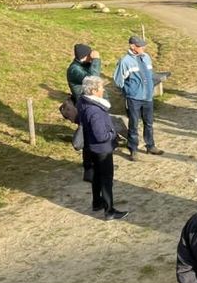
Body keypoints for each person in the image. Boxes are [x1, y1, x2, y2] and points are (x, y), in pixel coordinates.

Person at [78, 75, 127, 220]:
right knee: (106, 179)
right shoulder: (95, 111)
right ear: (93, 91)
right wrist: (112, 134)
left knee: (97, 176)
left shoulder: (83, 102)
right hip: (102, 149)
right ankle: (109, 210)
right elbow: (101, 136)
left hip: (90, 147)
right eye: (100, 87)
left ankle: (97, 202)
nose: (103, 90)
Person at [113, 35, 164, 160]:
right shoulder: (125, 61)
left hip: (147, 97)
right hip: (134, 98)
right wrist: (129, 91)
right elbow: (118, 80)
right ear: (133, 46)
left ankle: (150, 145)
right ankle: (133, 149)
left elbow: (150, 74)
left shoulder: (146, 57)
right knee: (134, 124)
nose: (144, 48)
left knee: (149, 123)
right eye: (141, 46)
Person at [67, 43, 101, 183]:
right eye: (89, 55)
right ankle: (89, 170)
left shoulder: (84, 65)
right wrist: (96, 60)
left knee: (95, 137)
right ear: (84, 56)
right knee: (88, 140)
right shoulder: (74, 69)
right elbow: (93, 80)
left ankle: (98, 166)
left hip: (92, 106)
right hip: (85, 107)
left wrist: (94, 62)